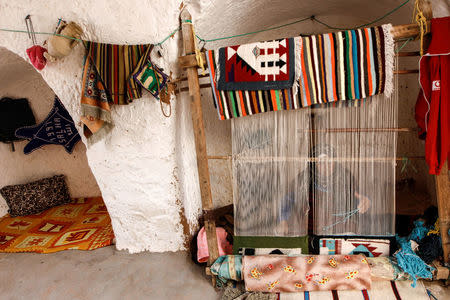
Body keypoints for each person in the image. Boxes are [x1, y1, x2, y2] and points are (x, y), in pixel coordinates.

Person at [278, 145, 371, 236]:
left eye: (329, 162)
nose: (326, 166)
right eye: (321, 163)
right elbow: (287, 201)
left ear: (334, 163)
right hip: (310, 233)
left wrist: (365, 202)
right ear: (314, 164)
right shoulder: (302, 181)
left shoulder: (345, 179)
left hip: (340, 233)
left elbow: (358, 198)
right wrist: (283, 220)